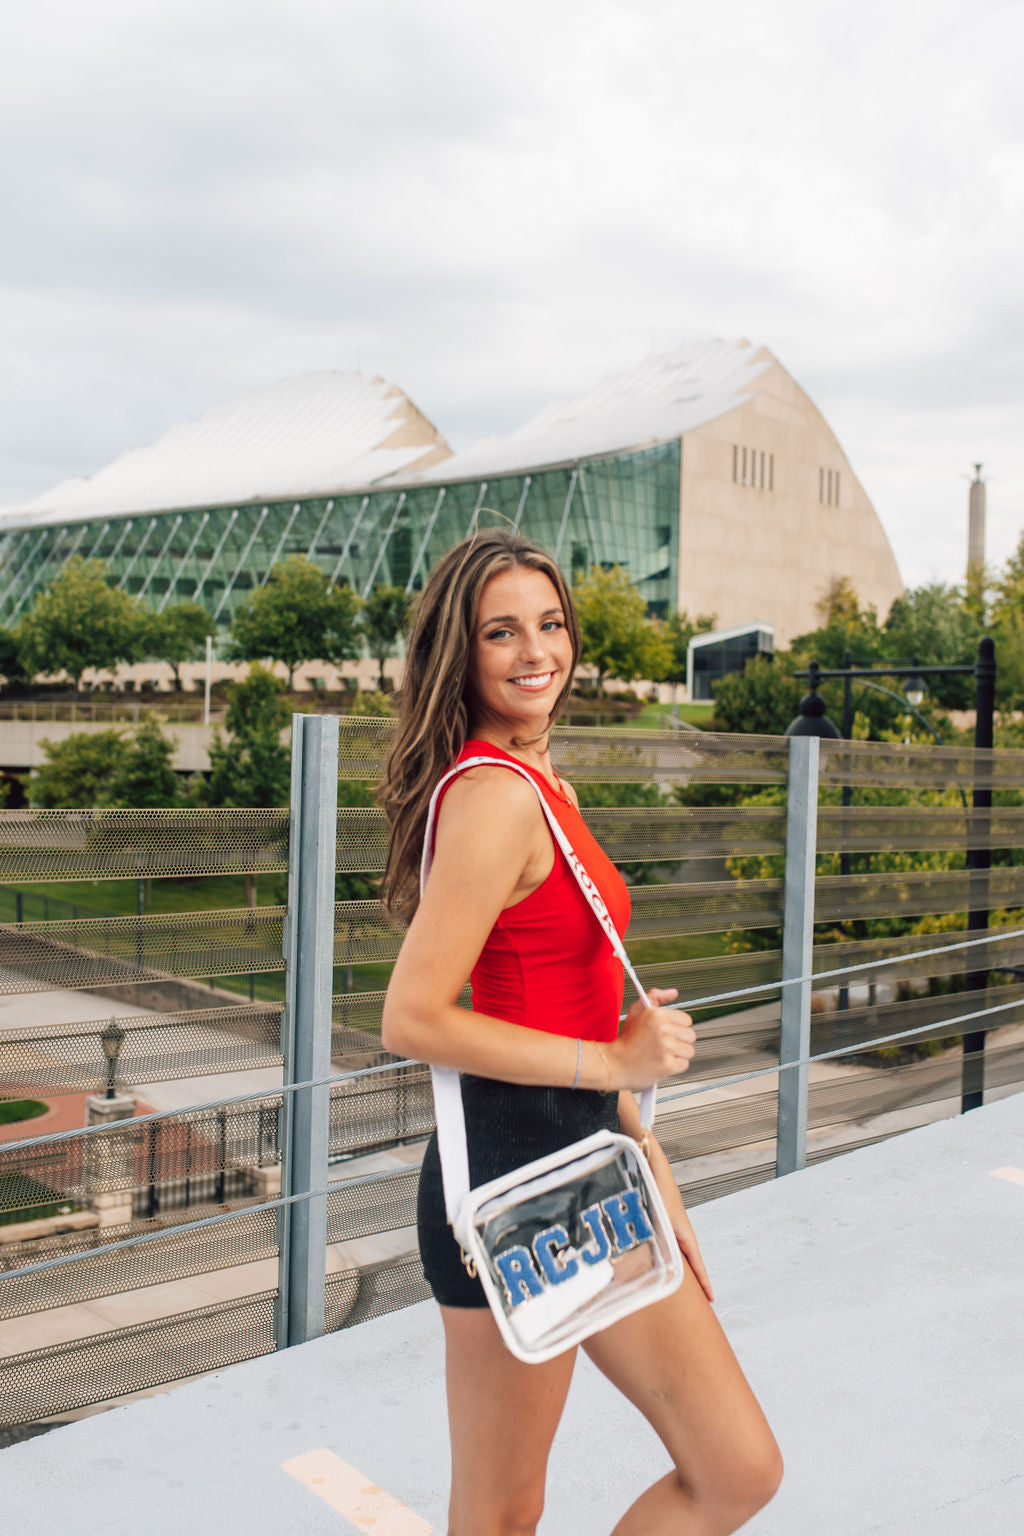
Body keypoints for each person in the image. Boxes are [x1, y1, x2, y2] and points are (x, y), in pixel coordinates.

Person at [381, 528, 782, 1536]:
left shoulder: (540, 782)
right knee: (501, 1516)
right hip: (513, 1184)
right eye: (501, 632)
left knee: (734, 1468)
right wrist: (614, 1059)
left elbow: (565, 992)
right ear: (458, 655)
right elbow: (411, 1017)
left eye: (550, 624)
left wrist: (654, 1168)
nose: (535, 652)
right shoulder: (492, 800)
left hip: (595, 1163)